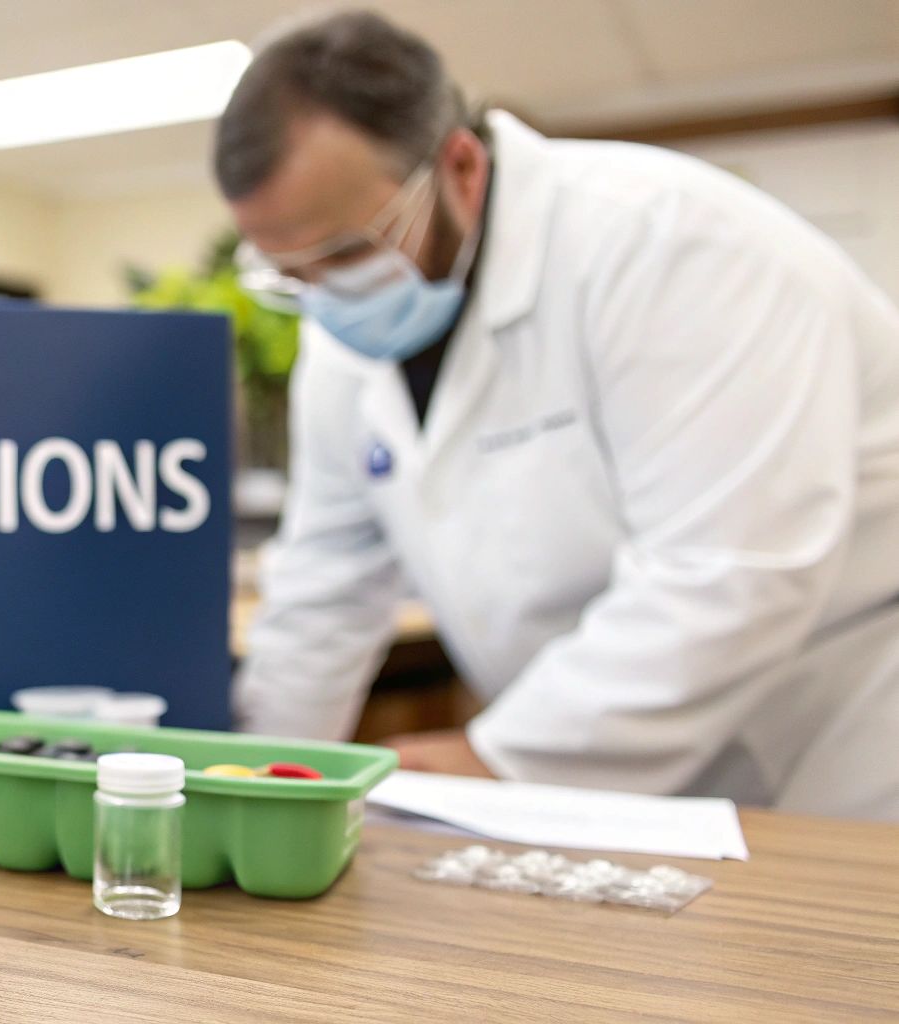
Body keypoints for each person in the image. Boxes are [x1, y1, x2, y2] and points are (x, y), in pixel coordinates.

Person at [221, 10, 899, 819]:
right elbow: (326, 585)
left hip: (834, 746)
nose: (325, 293)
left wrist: (498, 758)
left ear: (460, 167)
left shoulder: (671, 247)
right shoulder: (341, 333)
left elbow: (730, 574)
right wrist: (256, 784)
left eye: (345, 252)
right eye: (288, 273)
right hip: (591, 764)